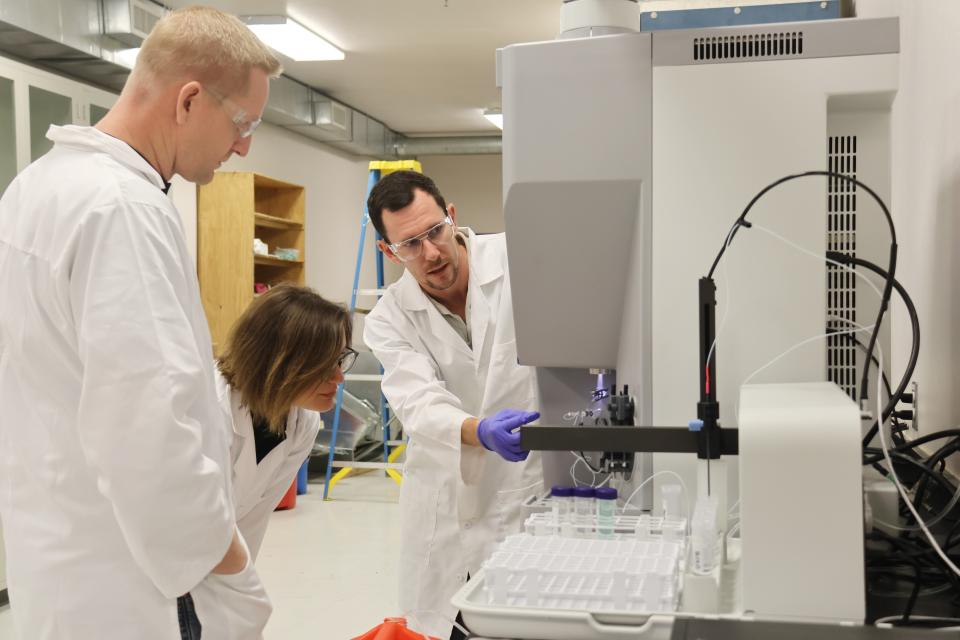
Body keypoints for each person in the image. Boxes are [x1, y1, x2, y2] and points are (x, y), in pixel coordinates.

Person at [0, 6, 280, 640]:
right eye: (244, 122)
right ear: (187, 101)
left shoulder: (33, 189)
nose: (244, 145)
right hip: (136, 583)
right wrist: (230, 564)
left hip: (60, 560)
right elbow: (149, 428)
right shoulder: (123, 209)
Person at [363, 171, 541, 640]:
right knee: (454, 625)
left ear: (452, 217)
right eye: (410, 245)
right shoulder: (389, 319)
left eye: (435, 232)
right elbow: (416, 400)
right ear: (387, 251)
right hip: (444, 499)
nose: (432, 253)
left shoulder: (519, 259)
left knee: (532, 616)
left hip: (527, 482)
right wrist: (477, 430)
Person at [215, 285, 354, 561]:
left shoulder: (303, 422)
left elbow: (252, 521)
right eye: (326, 365)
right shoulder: (208, 410)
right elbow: (182, 528)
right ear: (279, 364)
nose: (339, 378)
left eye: (340, 360)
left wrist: (241, 595)